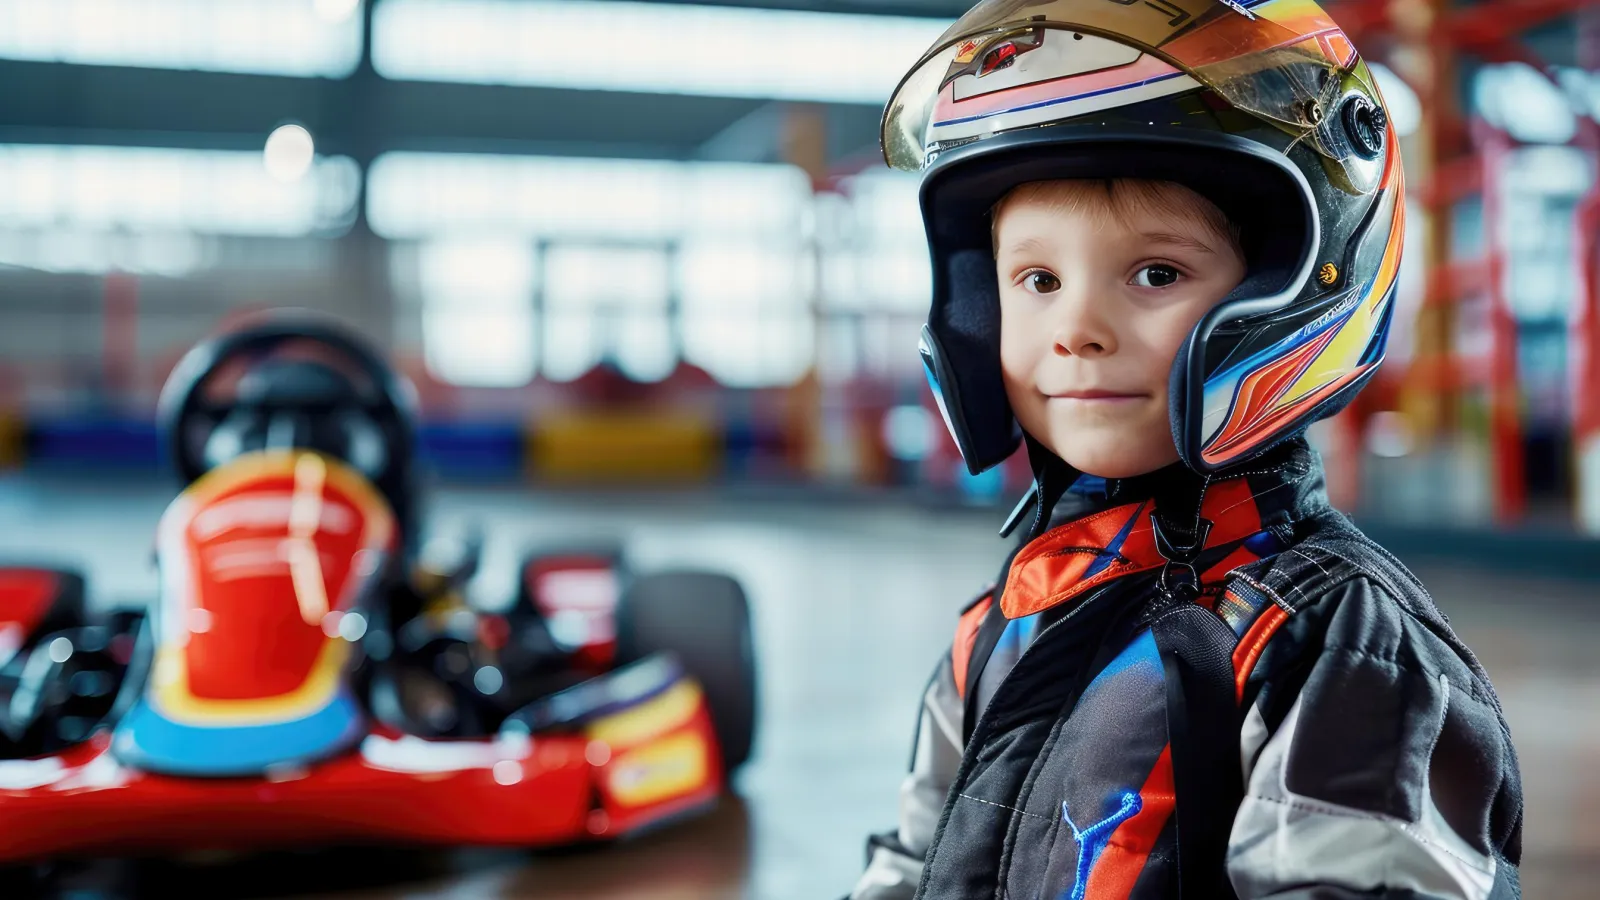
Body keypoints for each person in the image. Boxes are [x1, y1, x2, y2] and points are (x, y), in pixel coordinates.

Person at [847, 1, 1524, 898]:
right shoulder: (1003, 624)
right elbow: (914, 865)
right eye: (1038, 280)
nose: (1078, 329)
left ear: (1291, 294)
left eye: (1155, 274)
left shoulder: (1334, 640)